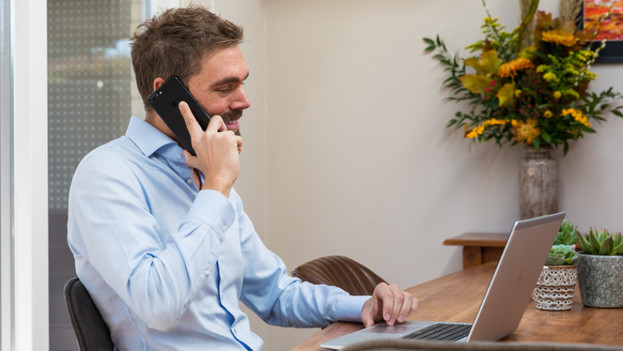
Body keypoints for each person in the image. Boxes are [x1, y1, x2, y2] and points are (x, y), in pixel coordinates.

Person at [67, 5, 418, 350]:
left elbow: (275, 294)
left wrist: (364, 306)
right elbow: (159, 306)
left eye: (243, 84)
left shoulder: (207, 171)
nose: (245, 100)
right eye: (225, 88)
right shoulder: (108, 174)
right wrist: (217, 186)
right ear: (169, 97)